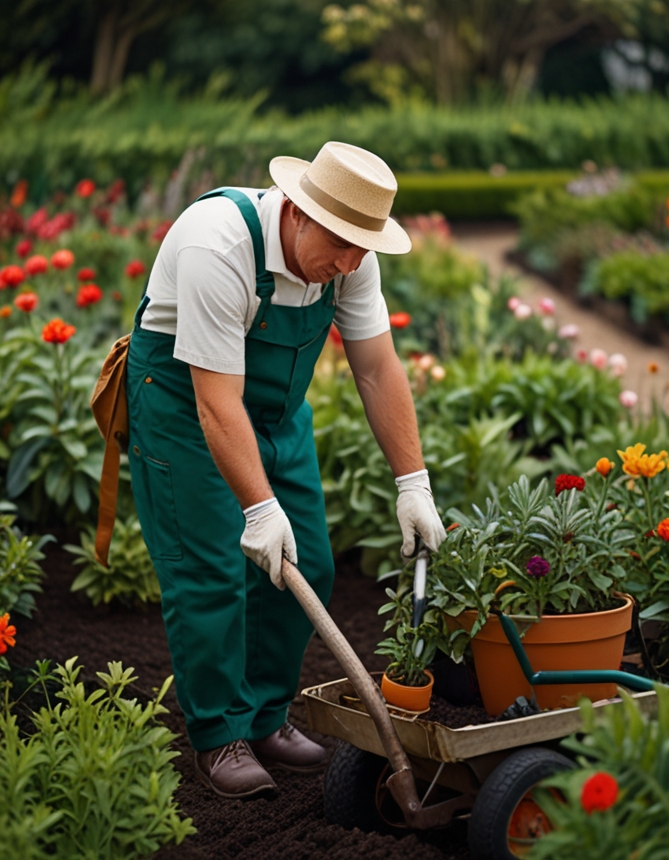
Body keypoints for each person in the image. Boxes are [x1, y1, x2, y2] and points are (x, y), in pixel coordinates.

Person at [126, 141, 447, 800]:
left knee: (310, 567)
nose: (351, 263)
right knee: (210, 571)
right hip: (185, 410)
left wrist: (413, 484)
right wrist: (258, 508)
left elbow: (377, 367)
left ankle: (267, 718)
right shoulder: (217, 246)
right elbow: (217, 405)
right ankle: (219, 738)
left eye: (364, 248)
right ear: (297, 212)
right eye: (341, 244)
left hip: (275, 415)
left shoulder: (349, 260)